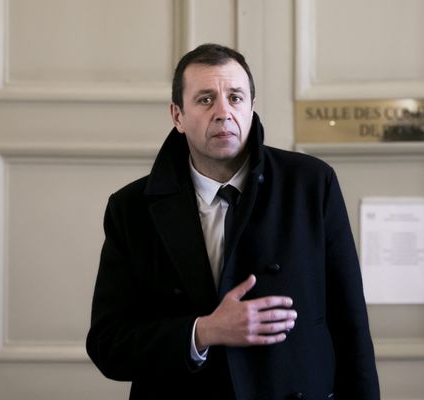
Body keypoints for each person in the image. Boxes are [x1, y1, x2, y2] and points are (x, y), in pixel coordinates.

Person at [86, 43, 380, 400]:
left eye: (236, 98)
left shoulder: (311, 184)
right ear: (177, 116)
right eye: (206, 99)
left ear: (252, 108)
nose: (224, 113)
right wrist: (203, 332)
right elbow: (108, 346)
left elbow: (351, 328)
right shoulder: (130, 208)